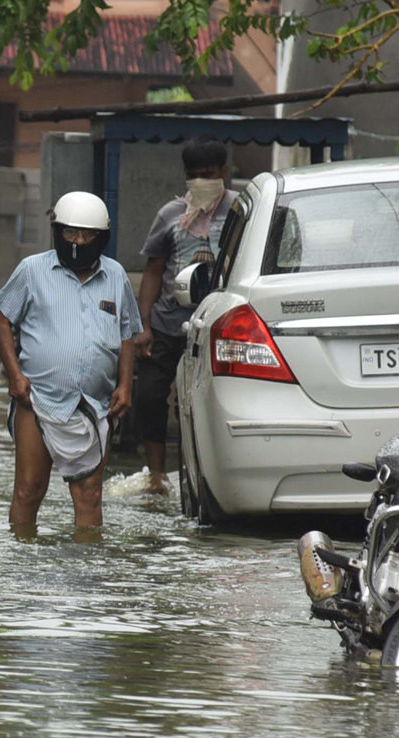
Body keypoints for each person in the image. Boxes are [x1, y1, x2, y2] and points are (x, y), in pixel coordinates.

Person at [0, 191, 140, 532]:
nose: (78, 241)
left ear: (101, 237)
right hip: (37, 399)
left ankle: (87, 576)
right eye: (70, 233)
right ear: (57, 232)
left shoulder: (116, 276)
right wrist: (15, 377)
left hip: (94, 405)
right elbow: (2, 320)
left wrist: (125, 385)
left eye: (87, 235)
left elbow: (127, 333)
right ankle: (21, 567)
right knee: (29, 490)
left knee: (89, 493)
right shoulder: (32, 271)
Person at [133, 137, 238, 494]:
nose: (200, 182)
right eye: (193, 176)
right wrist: (142, 325)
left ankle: (202, 475)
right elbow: (153, 270)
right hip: (167, 323)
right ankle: (156, 476)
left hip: (216, 326)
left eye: (207, 175)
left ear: (224, 172)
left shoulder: (242, 211)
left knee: (199, 402)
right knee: (148, 396)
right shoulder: (170, 214)